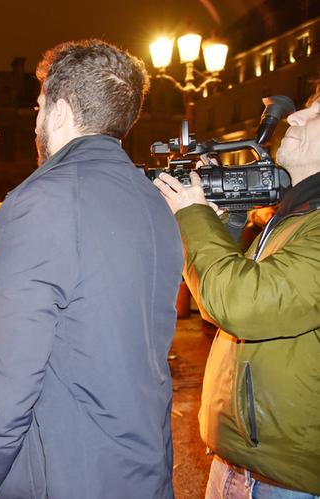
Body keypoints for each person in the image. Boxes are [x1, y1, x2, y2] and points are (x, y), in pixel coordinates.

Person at [0, 39, 184, 498]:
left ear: (58, 113)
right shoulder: (155, 203)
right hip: (140, 466)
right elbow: (97, 324)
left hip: (61, 471)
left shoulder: (41, 201)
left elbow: (7, 381)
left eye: (39, 107)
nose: (34, 122)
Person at [154, 87, 320, 497]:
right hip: (240, 469)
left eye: (317, 114)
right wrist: (221, 224)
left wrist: (192, 213)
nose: (293, 118)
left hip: (289, 484)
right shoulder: (294, 221)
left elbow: (242, 304)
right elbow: (222, 296)